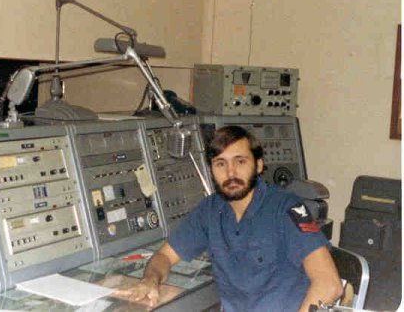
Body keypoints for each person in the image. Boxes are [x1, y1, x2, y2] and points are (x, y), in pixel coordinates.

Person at [117, 125, 343, 311]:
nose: (231, 172)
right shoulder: (210, 211)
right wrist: (150, 280)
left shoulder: (285, 208)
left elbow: (329, 284)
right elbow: (163, 257)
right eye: (220, 164)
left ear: (259, 165)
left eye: (240, 161)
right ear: (211, 170)